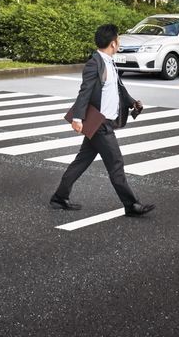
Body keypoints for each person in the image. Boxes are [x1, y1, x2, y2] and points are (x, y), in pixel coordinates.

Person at [51, 23, 154, 217]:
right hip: (100, 124)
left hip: (103, 123)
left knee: (81, 161)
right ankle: (131, 205)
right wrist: (78, 118)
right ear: (113, 43)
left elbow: (117, 88)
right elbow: (85, 92)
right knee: (116, 164)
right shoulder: (95, 63)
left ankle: (59, 197)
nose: (119, 43)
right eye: (118, 40)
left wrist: (131, 102)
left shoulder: (109, 62)